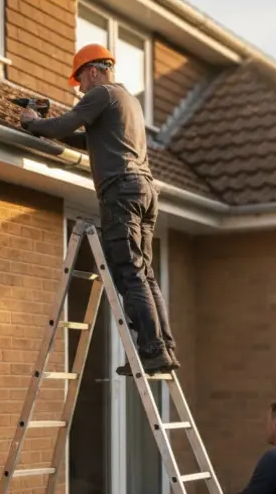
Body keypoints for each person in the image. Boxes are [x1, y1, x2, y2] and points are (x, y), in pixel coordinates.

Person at [18, 44, 178, 376]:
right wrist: (50, 125)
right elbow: (85, 137)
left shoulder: (100, 93)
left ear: (93, 71)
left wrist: (33, 123)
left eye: (80, 82)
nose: (80, 90)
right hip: (145, 190)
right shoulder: (127, 101)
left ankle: (151, 350)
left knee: (129, 272)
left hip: (121, 191)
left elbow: (65, 125)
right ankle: (164, 346)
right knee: (144, 273)